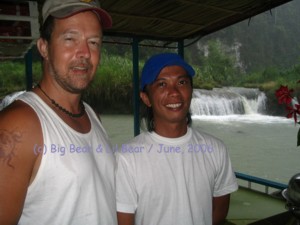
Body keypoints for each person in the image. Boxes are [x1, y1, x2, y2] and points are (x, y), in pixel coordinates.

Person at [0, 0, 117, 224]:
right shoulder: (17, 126)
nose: (84, 53)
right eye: (70, 39)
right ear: (44, 47)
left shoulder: (92, 115)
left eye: (93, 42)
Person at [116, 53, 238, 225]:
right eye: (162, 84)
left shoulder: (216, 149)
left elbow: (219, 210)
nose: (174, 92)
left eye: (182, 82)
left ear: (191, 90)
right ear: (146, 98)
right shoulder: (127, 158)